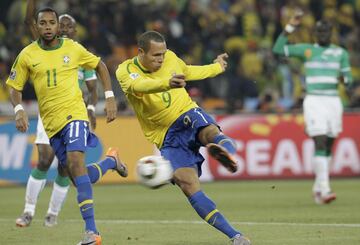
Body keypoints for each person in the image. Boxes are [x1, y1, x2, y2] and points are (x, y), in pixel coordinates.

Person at [116, 31, 251, 245]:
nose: (161, 58)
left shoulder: (170, 57)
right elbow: (139, 86)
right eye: (156, 55)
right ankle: (235, 236)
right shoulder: (126, 70)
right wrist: (166, 83)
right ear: (140, 52)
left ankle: (228, 154)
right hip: (165, 135)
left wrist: (216, 67)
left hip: (185, 112)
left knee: (209, 133)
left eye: (163, 53)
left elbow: (187, 71)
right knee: (187, 184)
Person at [7, 7, 127, 245]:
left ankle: (91, 232)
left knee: (74, 162)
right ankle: (111, 161)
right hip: (51, 125)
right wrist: (19, 110)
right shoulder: (27, 54)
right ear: (38, 26)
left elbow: (101, 66)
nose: (48, 27)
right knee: (78, 175)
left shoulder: (72, 48)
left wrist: (110, 97)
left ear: (56, 26)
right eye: (44, 23)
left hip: (75, 114)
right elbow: (14, 86)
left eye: (52, 22)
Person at [14, 0, 105, 228]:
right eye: (59, 25)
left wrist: (92, 109)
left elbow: (93, 90)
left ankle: (53, 213)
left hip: (74, 113)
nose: (62, 29)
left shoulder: (77, 53)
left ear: (73, 31)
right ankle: (28, 211)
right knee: (44, 160)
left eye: (66, 26)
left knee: (68, 167)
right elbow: (29, 21)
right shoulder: (36, 49)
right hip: (48, 114)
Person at [273, 12, 353, 204]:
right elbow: (278, 49)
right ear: (315, 33)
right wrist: (290, 27)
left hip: (333, 101)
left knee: (329, 145)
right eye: (319, 31)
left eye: (326, 31)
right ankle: (325, 189)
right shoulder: (307, 50)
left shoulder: (340, 53)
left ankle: (318, 186)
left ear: (331, 33)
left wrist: (344, 80)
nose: (323, 34)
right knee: (321, 141)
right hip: (315, 100)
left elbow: (349, 79)